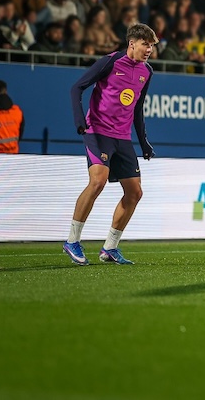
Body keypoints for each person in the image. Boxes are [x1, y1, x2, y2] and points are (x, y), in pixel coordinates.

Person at [63, 23, 159, 266]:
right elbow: (77, 88)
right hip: (98, 131)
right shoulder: (110, 62)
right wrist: (78, 120)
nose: (149, 49)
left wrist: (143, 142)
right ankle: (72, 241)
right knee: (98, 182)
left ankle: (110, 248)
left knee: (135, 193)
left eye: (151, 46)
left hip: (122, 137)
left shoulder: (146, 72)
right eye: (145, 44)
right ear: (132, 43)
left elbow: (137, 110)